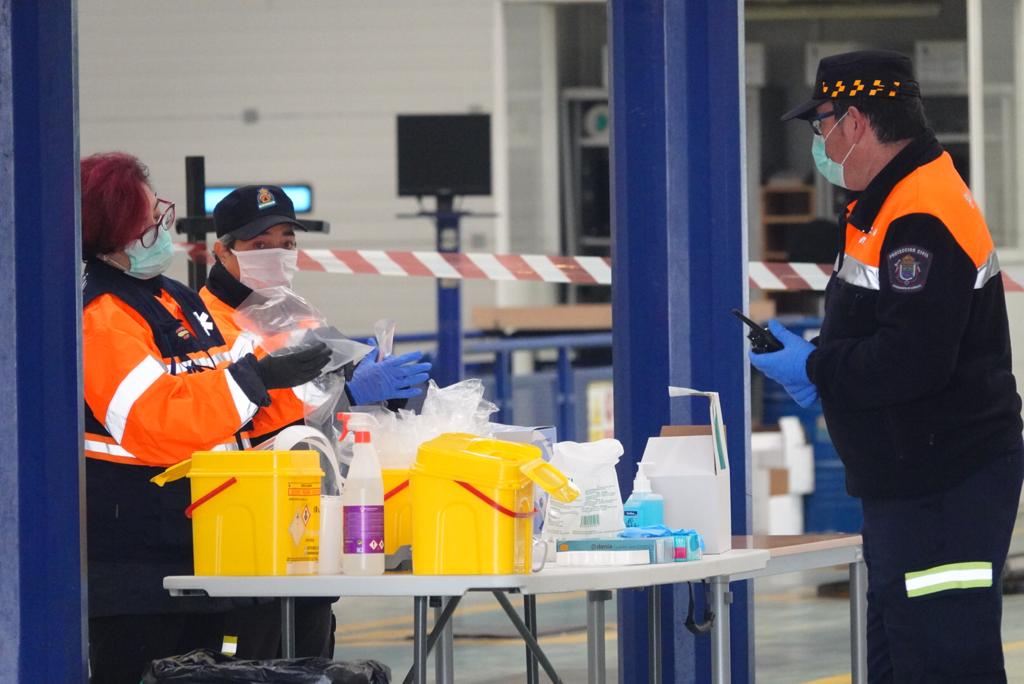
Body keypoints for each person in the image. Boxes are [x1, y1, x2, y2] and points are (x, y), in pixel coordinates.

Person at [750, 50, 1024, 682]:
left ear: (854, 122)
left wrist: (817, 368)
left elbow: (912, 361)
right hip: (910, 480)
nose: (819, 143)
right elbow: (886, 329)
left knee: (943, 659)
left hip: (944, 486)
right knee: (900, 658)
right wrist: (823, 366)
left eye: (820, 126)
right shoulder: (885, 200)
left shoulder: (920, 213)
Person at [82, 153, 331, 682]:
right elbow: (157, 421)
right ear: (114, 228)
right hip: (137, 568)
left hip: (202, 550)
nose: (161, 228)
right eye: (150, 219)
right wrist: (257, 382)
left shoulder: (173, 299)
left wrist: (323, 384)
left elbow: (239, 402)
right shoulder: (102, 316)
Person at [197, 184, 432, 658]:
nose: (276, 255)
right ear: (222, 251)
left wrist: (390, 393)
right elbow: (233, 420)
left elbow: (341, 385)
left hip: (312, 525)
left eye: (286, 243)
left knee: (311, 654)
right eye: (260, 245)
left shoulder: (294, 314)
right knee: (251, 661)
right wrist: (349, 393)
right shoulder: (205, 321)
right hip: (248, 534)